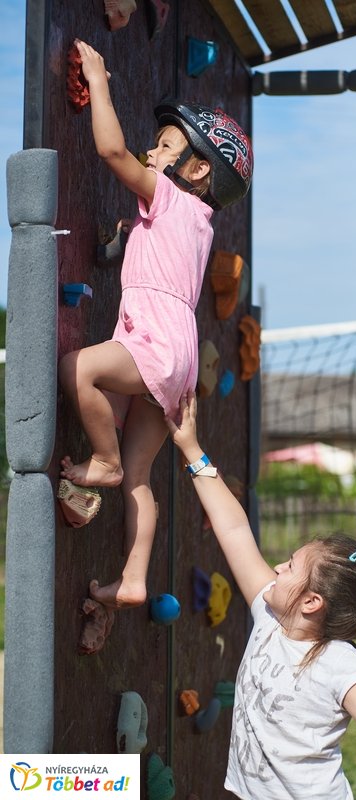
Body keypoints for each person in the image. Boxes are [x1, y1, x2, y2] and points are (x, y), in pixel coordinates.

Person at [166, 391, 356, 799]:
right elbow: (233, 530)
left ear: (312, 602)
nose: (277, 568)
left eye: (290, 566)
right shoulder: (271, 614)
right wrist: (192, 450)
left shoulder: (339, 663)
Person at [59, 40, 253, 609]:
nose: (151, 149)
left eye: (165, 146)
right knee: (142, 477)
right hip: (179, 357)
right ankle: (135, 577)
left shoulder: (168, 196)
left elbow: (113, 152)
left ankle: (103, 459)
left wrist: (98, 80)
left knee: (79, 369)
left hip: (155, 343)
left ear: (195, 168)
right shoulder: (198, 221)